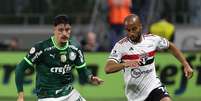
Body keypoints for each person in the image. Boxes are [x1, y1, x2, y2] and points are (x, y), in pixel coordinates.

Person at [104, 14, 193, 101]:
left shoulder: (152, 40)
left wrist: (185, 64)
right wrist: (124, 64)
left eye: (134, 29)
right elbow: (108, 68)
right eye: (128, 30)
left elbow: (170, 46)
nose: (131, 33)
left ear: (140, 26)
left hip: (154, 87)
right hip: (135, 95)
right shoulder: (120, 46)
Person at [15, 14, 103, 101]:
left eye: (67, 29)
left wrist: (90, 77)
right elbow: (20, 68)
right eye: (60, 30)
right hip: (47, 97)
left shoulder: (75, 47)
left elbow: (82, 70)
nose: (64, 33)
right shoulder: (42, 47)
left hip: (69, 93)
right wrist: (20, 96)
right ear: (54, 30)